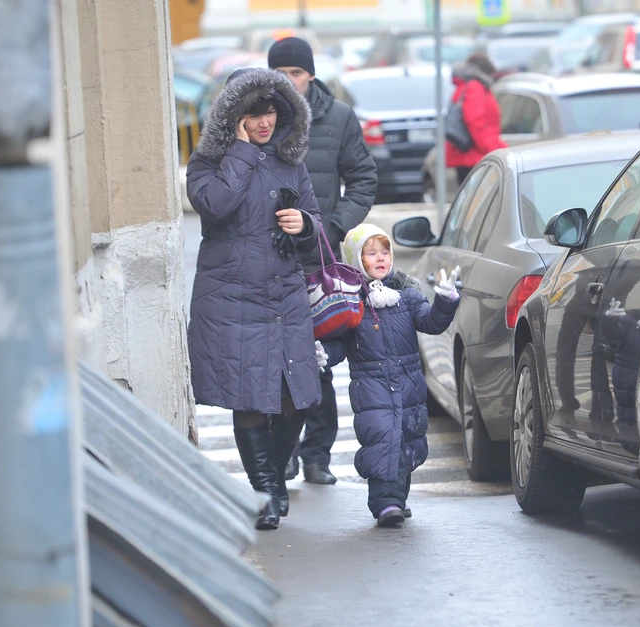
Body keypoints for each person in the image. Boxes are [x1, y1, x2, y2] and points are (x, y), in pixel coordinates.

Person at [186, 67, 328, 531]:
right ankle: (265, 491)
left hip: (284, 294)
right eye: (253, 113)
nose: (264, 122)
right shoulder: (206, 163)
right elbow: (216, 205)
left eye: (269, 111)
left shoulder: (292, 161)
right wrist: (243, 152)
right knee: (248, 397)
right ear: (233, 117)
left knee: (295, 399)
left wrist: (305, 226)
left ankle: (276, 477)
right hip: (232, 296)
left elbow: (317, 228)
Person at [268, 37, 379, 486]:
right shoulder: (264, 118)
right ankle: (286, 452)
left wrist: (331, 228)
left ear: (309, 75)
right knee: (275, 359)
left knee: (317, 358)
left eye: (295, 73)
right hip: (272, 259)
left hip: (318, 259)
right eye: (280, 73)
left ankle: (317, 454)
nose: (287, 81)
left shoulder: (338, 118)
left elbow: (364, 178)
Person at [319, 223, 460, 527]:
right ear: (356, 260)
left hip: (409, 386)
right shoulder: (351, 301)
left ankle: (397, 498)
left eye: (385, 252)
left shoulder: (406, 295)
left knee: (407, 442)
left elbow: (431, 323)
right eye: (372, 253)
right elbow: (340, 344)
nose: (381, 258)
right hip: (372, 389)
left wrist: (446, 303)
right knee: (382, 441)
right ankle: (385, 503)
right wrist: (323, 355)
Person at [445, 52, 507, 186]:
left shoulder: (467, 86)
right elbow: (474, 121)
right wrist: (491, 148)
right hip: (474, 157)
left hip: (468, 155)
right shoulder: (475, 87)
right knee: (477, 203)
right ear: (485, 72)